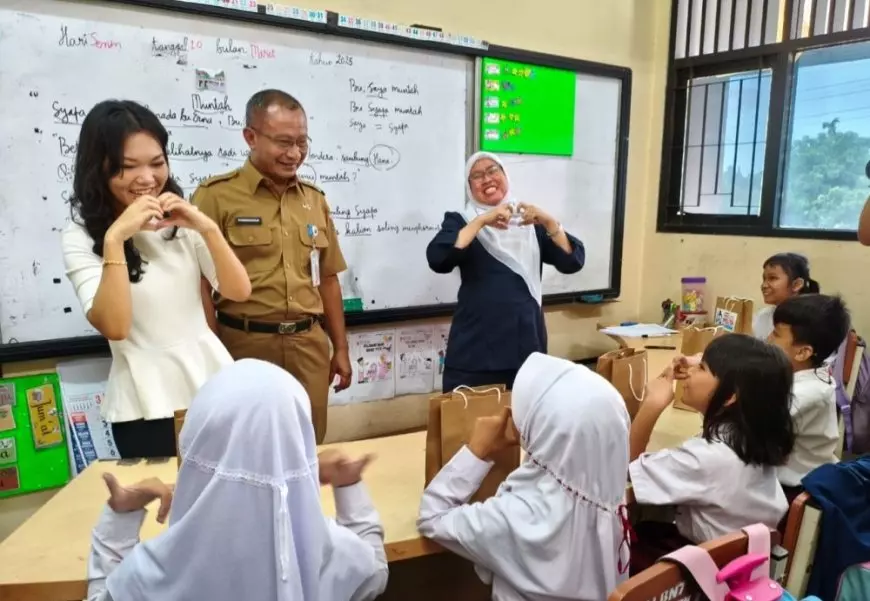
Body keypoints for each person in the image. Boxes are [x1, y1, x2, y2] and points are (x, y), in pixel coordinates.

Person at [85, 359, 388, 601]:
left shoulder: (158, 570)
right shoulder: (328, 552)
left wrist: (119, 519)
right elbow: (374, 574)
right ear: (301, 445)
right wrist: (349, 487)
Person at [62, 100, 251, 459]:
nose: (147, 178)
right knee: (162, 509)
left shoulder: (179, 217)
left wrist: (206, 227)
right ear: (97, 169)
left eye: (157, 162)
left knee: (229, 504)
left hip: (213, 387)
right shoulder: (81, 234)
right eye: (127, 167)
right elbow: (115, 326)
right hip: (144, 406)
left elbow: (238, 290)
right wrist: (116, 238)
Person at [194, 89, 351, 443]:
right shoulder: (215, 196)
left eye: (301, 141)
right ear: (250, 137)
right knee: (247, 447)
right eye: (283, 142)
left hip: (308, 345)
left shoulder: (315, 200)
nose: (295, 153)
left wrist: (340, 347)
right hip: (244, 345)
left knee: (308, 446)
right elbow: (199, 283)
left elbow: (327, 279)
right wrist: (213, 351)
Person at [418, 353, 631, 600]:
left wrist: (476, 450)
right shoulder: (610, 501)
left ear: (545, 430)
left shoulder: (520, 517)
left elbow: (432, 516)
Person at [628, 334, 795, 574]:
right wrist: (700, 362)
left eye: (702, 368)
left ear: (729, 396)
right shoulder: (753, 434)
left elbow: (628, 469)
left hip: (700, 569)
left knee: (626, 536)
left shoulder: (704, 458)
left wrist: (652, 404)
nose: (692, 371)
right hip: (736, 560)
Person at [426, 152, 585, 391]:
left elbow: (572, 261)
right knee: (468, 425)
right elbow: (439, 258)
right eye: (477, 176)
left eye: (493, 171)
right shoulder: (462, 221)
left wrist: (550, 223)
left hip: (527, 349)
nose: (487, 179)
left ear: (505, 175)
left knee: (522, 425)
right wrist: (481, 222)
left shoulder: (529, 223)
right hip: (476, 352)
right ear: (470, 187)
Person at [768, 294, 850, 505]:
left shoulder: (808, 394)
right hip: (787, 477)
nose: (767, 339)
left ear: (803, 352)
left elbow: (747, 426)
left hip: (792, 490)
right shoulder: (801, 372)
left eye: (776, 335)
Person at [753, 252, 820, 340]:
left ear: (797, 284)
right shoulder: (763, 316)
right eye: (764, 279)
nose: (764, 285)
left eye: (772, 278)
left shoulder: (813, 321)